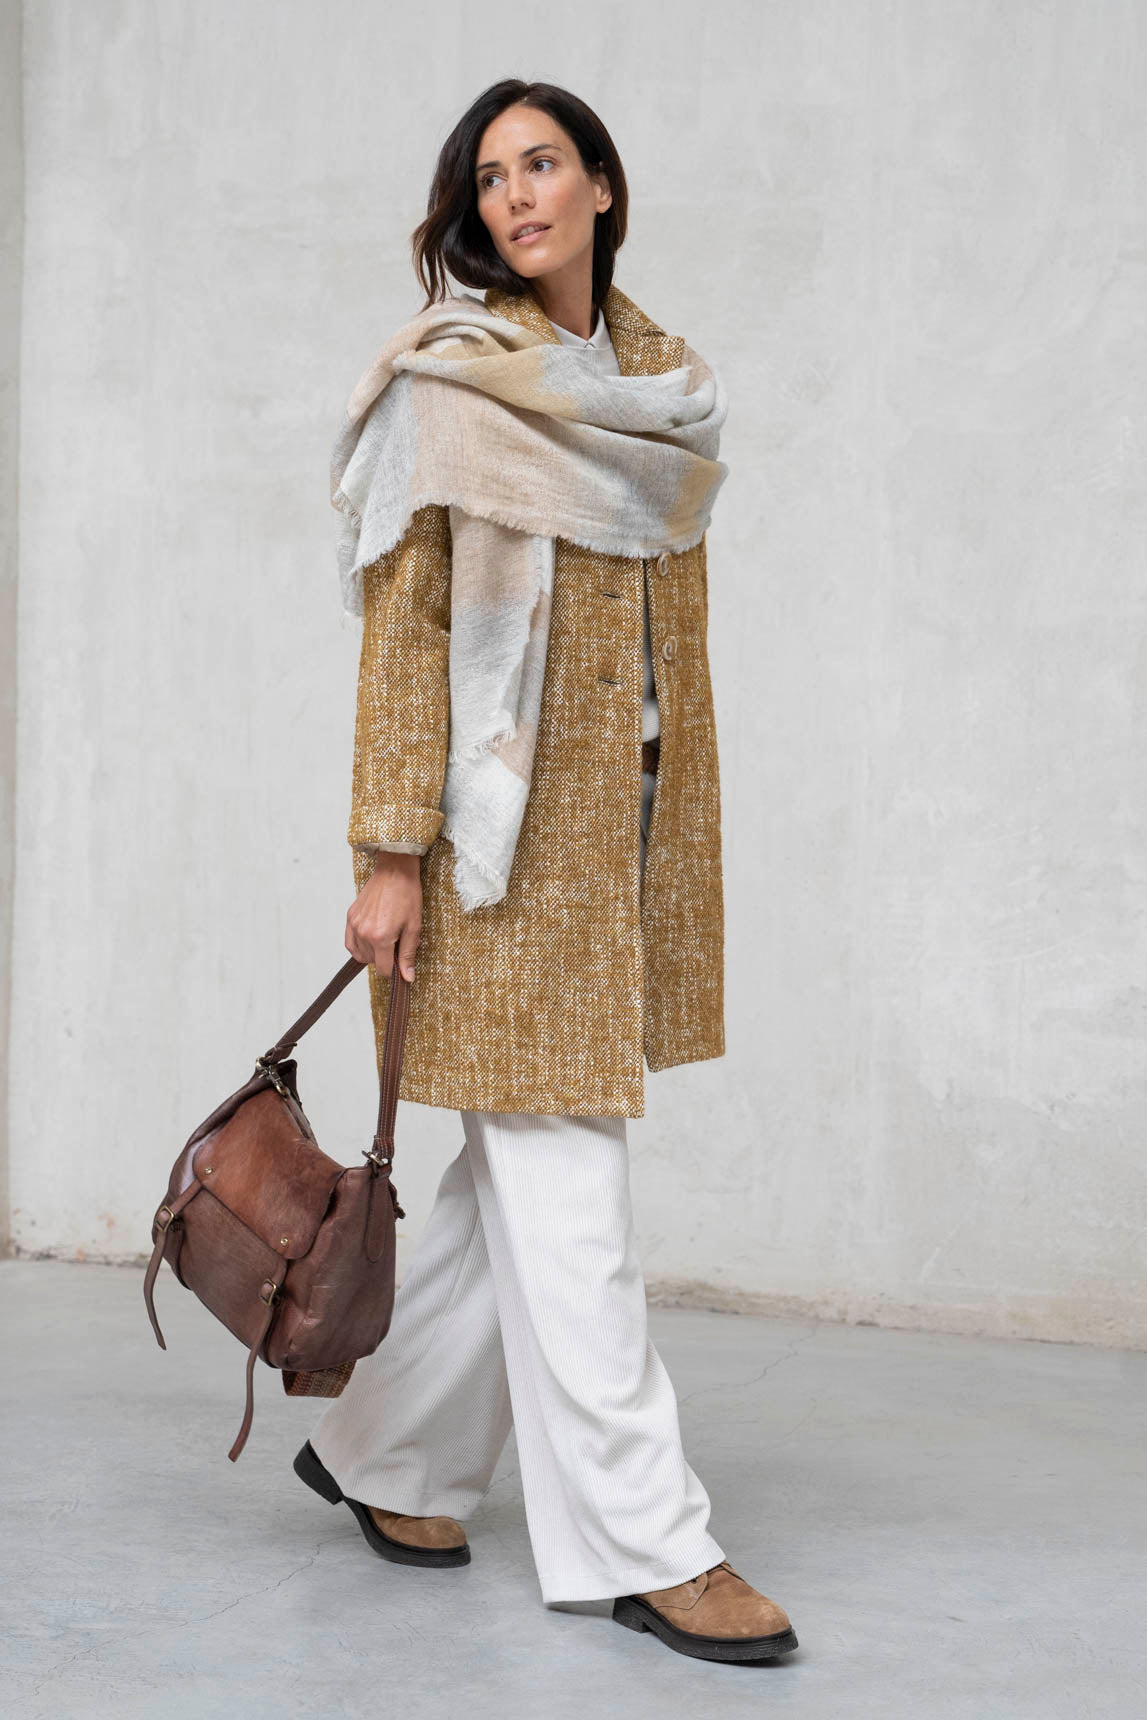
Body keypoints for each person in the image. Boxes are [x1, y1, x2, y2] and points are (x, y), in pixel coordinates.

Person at [294, 78, 799, 1666]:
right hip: (495, 855)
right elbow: (406, 642)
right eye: (491, 176)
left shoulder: (656, 389)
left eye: (543, 164)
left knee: (505, 1170)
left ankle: (387, 1456)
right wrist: (389, 855)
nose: (517, 194)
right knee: (571, 1186)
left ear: (600, 186)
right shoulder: (454, 389)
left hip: (623, 841)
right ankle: (649, 1543)